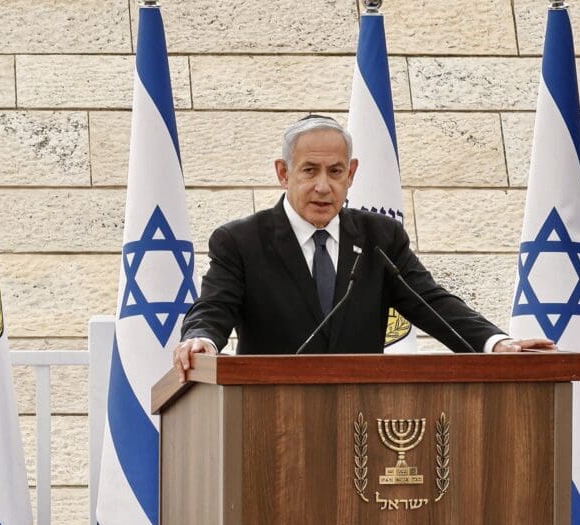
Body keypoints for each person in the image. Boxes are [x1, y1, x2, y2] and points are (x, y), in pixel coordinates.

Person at [173, 116, 553, 370]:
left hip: (362, 422)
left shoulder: (380, 239)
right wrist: (201, 339)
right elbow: (214, 307)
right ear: (283, 172)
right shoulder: (240, 241)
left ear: (351, 174)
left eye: (336, 172)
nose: (324, 186)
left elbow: (432, 304)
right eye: (309, 171)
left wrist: (495, 343)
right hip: (267, 422)